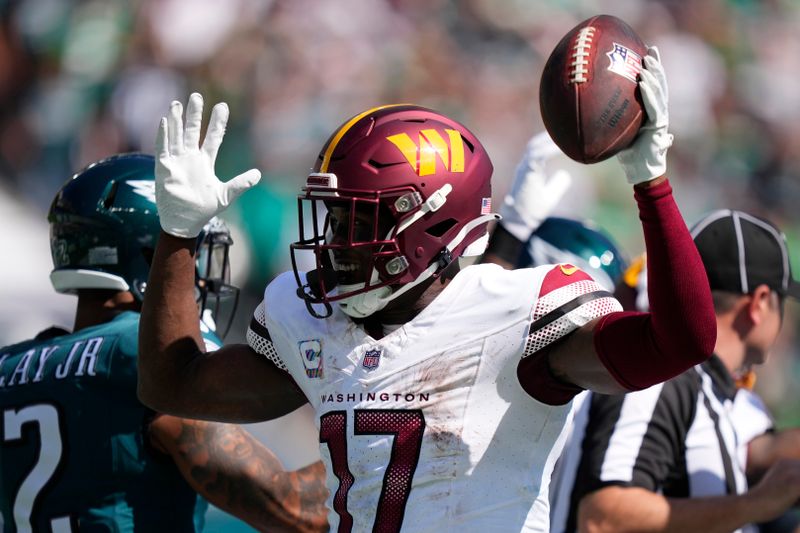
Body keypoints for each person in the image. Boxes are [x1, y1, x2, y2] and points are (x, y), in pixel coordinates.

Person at [138, 47, 717, 532]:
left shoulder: (520, 315)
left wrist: (651, 184)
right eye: (334, 219)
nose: (336, 242)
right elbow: (171, 384)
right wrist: (178, 232)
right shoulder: (310, 321)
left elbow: (681, 341)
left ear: (432, 225)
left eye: (358, 223)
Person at [0, 154, 328, 533]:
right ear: (148, 259)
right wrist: (400, 424)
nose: (201, 279)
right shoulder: (133, 354)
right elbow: (294, 510)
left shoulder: (9, 368)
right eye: (192, 256)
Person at [549, 209, 800, 533]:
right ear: (760, 303)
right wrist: (756, 504)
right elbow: (604, 517)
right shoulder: (667, 374)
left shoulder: (701, 385)